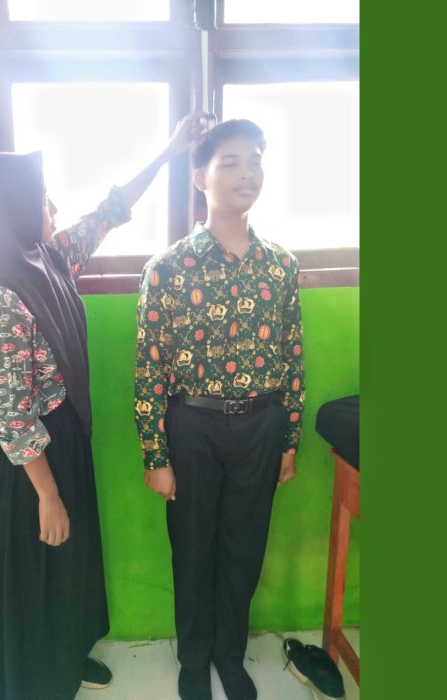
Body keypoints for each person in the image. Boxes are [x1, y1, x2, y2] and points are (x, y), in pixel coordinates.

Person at [0, 112, 206, 700]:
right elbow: (14, 418)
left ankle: (65, 659)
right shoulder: (1, 301)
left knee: (66, 568)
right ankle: (37, 682)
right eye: (42, 200)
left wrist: (168, 152)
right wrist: (48, 494)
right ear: (8, 212)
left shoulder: (47, 261)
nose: (55, 208)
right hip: (31, 465)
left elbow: (109, 211)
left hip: (62, 439)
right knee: (38, 574)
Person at [134, 119, 305, 700]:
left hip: (262, 424)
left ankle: (230, 657)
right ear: (200, 176)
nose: (246, 172)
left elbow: (293, 356)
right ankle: (193, 660)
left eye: (254, 160)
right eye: (230, 162)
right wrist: (156, 455)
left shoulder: (281, 266)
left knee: (243, 549)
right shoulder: (166, 269)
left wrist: (289, 441)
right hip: (193, 425)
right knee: (192, 549)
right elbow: (149, 368)